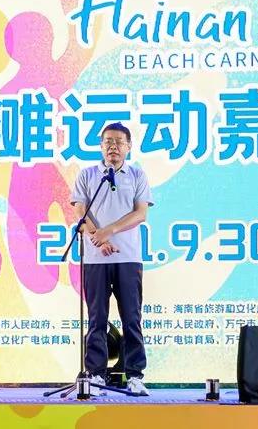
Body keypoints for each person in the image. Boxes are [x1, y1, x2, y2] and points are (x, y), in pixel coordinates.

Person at [70, 122, 154, 396]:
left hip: (128, 257)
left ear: (128, 146)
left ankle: (135, 376)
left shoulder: (137, 175)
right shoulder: (88, 175)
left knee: (132, 318)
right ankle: (95, 375)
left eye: (118, 141)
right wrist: (100, 238)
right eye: (107, 141)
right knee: (97, 319)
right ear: (101, 146)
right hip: (96, 259)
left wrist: (110, 231)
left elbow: (140, 214)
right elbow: (80, 213)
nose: (113, 146)